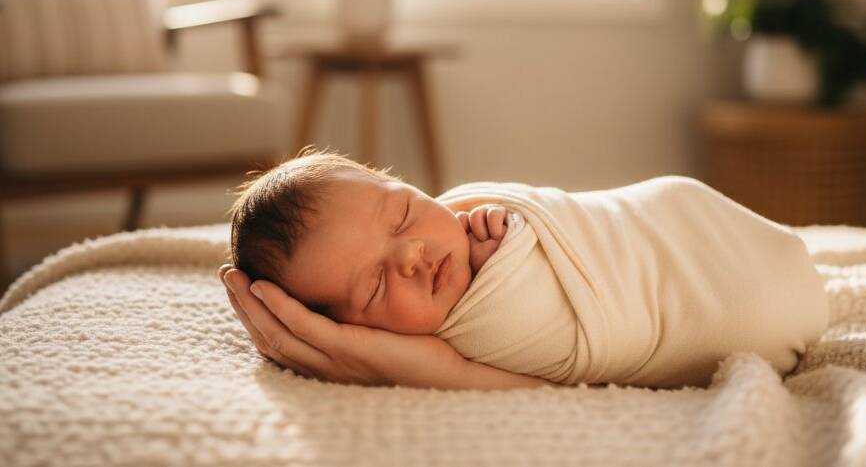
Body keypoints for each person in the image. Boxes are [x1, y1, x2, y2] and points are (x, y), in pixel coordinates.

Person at [220, 148, 828, 389]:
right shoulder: (463, 340)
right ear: (349, 329)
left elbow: (570, 221)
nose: (411, 255)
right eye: (374, 284)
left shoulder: (470, 219)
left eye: (402, 214)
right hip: (747, 308)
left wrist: (513, 238)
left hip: (684, 221)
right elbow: (530, 383)